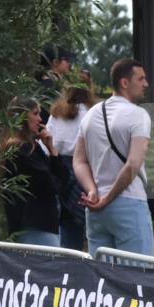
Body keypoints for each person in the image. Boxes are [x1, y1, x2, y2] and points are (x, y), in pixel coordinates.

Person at [74, 58, 154, 257]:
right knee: (137, 277)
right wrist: (108, 198)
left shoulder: (90, 115)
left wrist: (93, 191)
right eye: (141, 79)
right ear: (124, 83)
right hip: (129, 203)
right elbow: (133, 164)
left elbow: (79, 160)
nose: (146, 84)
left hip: (95, 210)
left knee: (103, 279)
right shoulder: (138, 115)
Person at [0, 97, 69, 247]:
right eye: (35, 113)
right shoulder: (23, 149)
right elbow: (52, 186)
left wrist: (51, 149)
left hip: (35, 224)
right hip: (36, 225)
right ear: (23, 116)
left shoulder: (26, 147)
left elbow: (60, 181)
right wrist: (53, 155)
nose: (40, 119)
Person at [47, 86, 97, 250]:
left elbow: (46, 140)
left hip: (61, 166)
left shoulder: (57, 114)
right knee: (90, 212)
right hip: (87, 166)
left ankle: (70, 255)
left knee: (67, 218)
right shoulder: (92, 112)